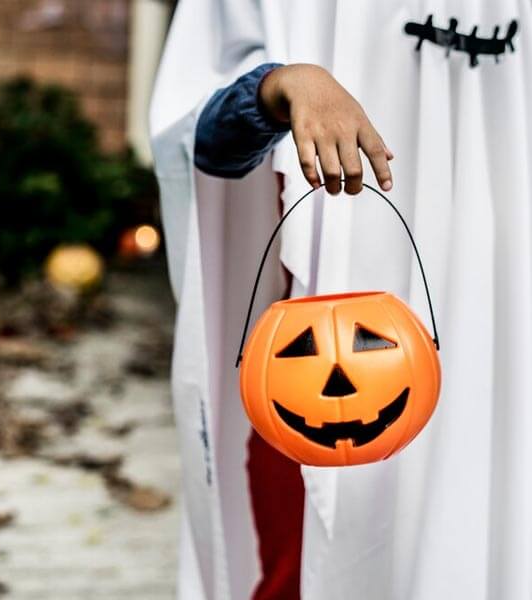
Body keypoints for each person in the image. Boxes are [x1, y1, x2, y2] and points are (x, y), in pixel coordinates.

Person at [149, 2, 532, 600]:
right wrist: (282, 85)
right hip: (323, 312)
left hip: (505, 295)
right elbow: (197, 131)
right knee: (309, 535)